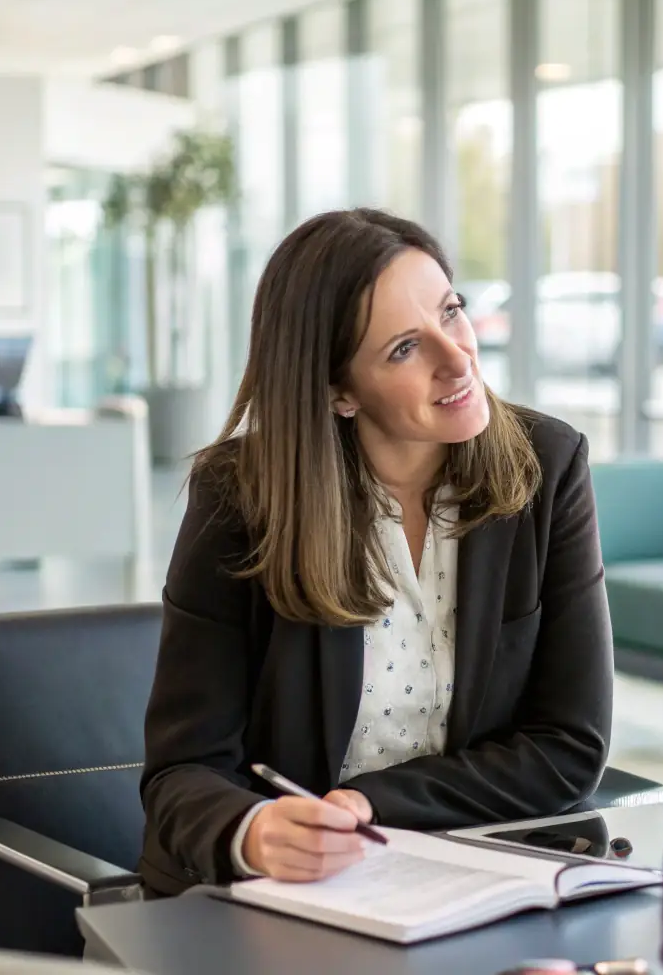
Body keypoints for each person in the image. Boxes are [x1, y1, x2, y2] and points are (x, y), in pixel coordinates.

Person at [138, 208, 612, 896]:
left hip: (476, 877)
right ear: (337, 392)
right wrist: (253, 831)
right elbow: (183, 771)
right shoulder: (240, 495)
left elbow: (567, 748)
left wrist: (372, 803)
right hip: (283, 896)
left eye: (452, 312)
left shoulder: (549, 465)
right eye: (403, 349)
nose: (458, 358)